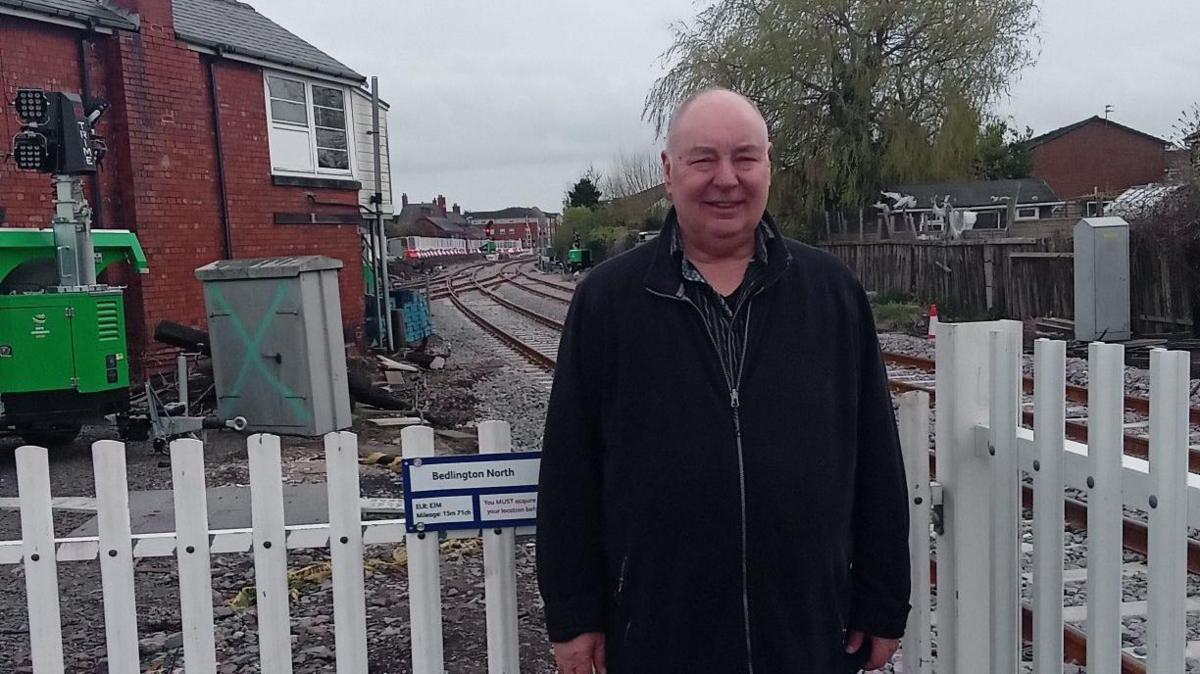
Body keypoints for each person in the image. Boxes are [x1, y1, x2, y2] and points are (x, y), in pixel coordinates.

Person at [536, 88, 910, 674]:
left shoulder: (832, 294)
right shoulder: (606, 303)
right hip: (658, 631)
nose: (726, 179)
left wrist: (884, 599)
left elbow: (876, 462)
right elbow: (569, 472)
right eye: (703, 159)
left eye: (745, 158)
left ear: (769, 165)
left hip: (808, 630)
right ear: (668, 170)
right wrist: (572, 615)